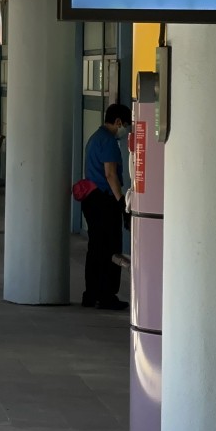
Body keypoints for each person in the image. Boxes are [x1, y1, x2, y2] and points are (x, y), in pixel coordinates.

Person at [81, 102, 132, 311]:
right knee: (110, 249)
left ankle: (91, 294)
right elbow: (111, 175)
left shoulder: (95, 138)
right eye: (126, 125)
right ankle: (107, 295)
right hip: (104, 201)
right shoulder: (109, 142)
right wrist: (121, 201)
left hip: (91, 199)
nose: (125, 129)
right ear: (118, 122)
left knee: (95, 248)